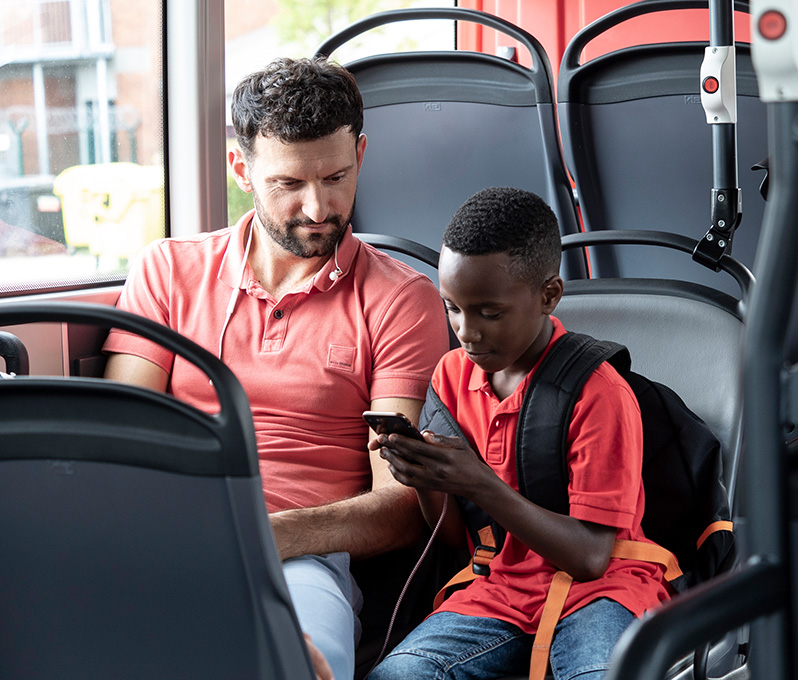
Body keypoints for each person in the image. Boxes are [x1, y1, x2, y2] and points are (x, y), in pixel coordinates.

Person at [102, 56, 449, 680]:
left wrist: (263, 536)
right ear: (242, 169)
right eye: (288, 183)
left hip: (303, 555)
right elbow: (124, 450)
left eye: (337, 177)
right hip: (165, 536)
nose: (318, 208)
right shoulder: (165, 272)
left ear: (362, 155)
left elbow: (400, 507)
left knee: (299, 663)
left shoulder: (402, 300)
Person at [367, 187, 672, 680]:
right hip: (498, 589)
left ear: (549, 295)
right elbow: (455, 537)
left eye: (489, 312)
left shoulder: (598, 392)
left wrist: (478, 483)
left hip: (601, 591)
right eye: (453, 308)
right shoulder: (450, 377)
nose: (467, 332)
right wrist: (422, 476)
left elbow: (592, 557)